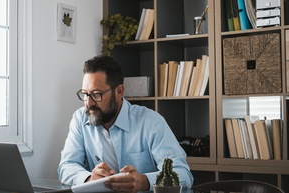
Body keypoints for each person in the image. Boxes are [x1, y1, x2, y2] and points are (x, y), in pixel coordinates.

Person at [58, 55, 193, 192]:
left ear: (119, 91)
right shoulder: (80, 119)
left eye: (96, 94)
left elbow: (183, 174)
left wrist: (145, 181)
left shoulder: (151, 122)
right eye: (85, 94)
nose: (89, 103)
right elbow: (66, 166)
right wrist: (89, 179)